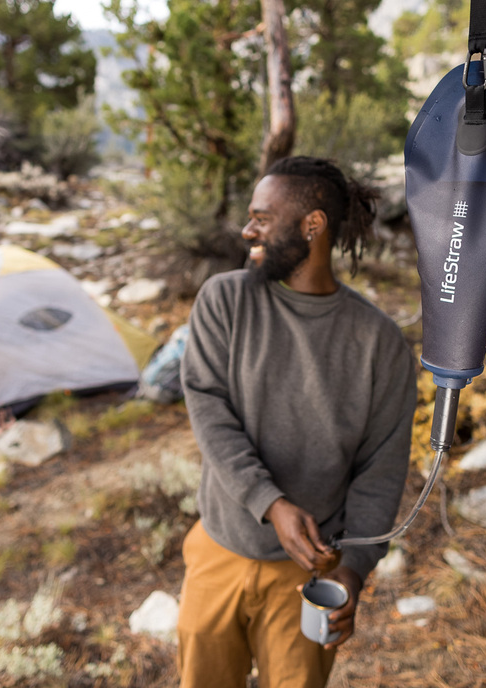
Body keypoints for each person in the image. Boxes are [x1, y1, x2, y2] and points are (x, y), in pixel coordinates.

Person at [178, 156, 418, 688]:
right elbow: (209, 410)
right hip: (221, 547)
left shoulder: (378, 344)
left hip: (311, 575)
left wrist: (353, 570)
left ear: (312, 225)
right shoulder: (226, 300)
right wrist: (272, 503)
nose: (248, 230)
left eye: (262, 217)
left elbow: (381, 472)